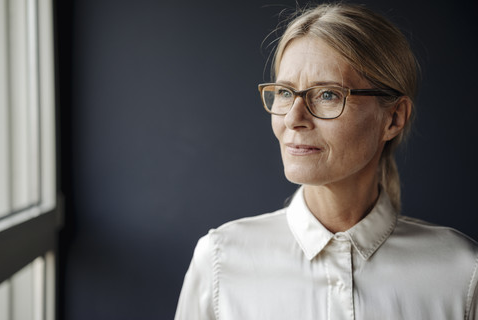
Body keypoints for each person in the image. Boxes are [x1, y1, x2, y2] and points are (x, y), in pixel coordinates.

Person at [175, 3, 478, 319]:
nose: (294, 118)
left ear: (393, 117)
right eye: (285, 92)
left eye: (327, 94)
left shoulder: (462, 274)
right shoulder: (220, 263)